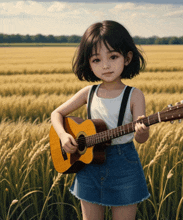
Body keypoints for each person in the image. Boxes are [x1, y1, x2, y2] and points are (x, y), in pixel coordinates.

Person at [51, 20, 150, 220]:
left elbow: (141, 138)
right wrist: (63, 136)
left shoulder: (134, 95)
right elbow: (57, 114)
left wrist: (142, 131)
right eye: (96, 60)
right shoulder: (89, 92)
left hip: (124, 165)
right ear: (88, 63)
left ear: (128, 57)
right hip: (88, 165)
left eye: (113, 56)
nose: (105, 65)